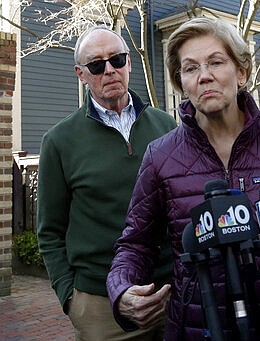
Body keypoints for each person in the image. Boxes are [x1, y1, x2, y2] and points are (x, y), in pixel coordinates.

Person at [106, 17, 260, 341]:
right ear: (181, 83)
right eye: (190, 68)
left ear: (242, 72)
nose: (204, 75)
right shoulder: (160, 156)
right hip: (198, 326)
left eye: (216, 62)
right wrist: (122, 291)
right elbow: (135, 244)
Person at [36, 25, 177, 340]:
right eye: (97, 65)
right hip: (102, 307)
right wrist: (70, 298)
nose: (109, 70)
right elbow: (49, 231)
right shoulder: (59, 142)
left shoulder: (166, 126)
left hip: (173, 295)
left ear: (130, 63)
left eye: (117, 59)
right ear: (81, 74)